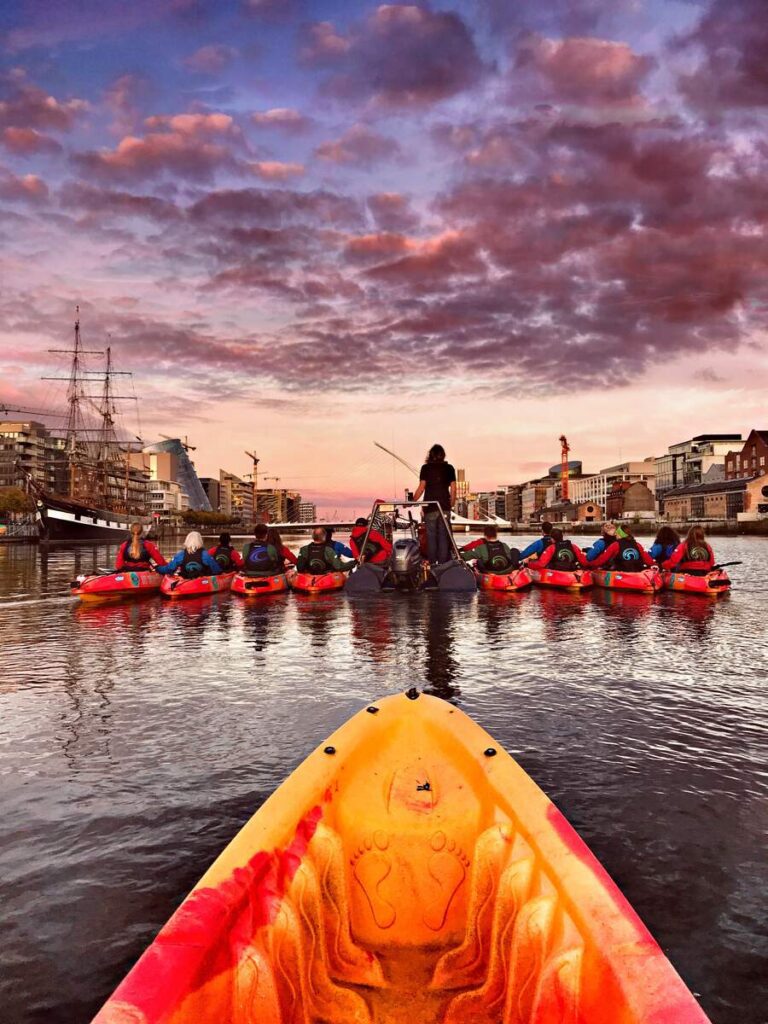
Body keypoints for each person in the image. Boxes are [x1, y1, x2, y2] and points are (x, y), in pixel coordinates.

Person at [413, 443, 456, 563]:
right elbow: (453, 489)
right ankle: (442, 566)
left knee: (431, 537)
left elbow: (421, 488)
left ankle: (432, 566)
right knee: (443, 537)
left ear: (430, 455)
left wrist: (412, 501)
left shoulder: (425, 468)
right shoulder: (449, 468)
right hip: (444, 507)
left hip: (430, 507)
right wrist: (451, 504)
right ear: (443, 455)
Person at [589, 524, 654, 572]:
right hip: (637, 572)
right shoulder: (637, 545)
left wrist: (590, 565)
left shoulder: (615, 545)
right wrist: (654, 565)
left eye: (617, 533)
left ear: (620, 534)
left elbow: (603, 559)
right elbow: (648, 559)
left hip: (620, 573)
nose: (616, 534)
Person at [156, 531, 221, 579]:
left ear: (187, 541)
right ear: (200, 541)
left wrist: (158, 568)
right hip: (201, 581)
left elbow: (169, 569)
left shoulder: (181, 555)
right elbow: (216, 570)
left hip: (185, 580)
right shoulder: (205, 554)